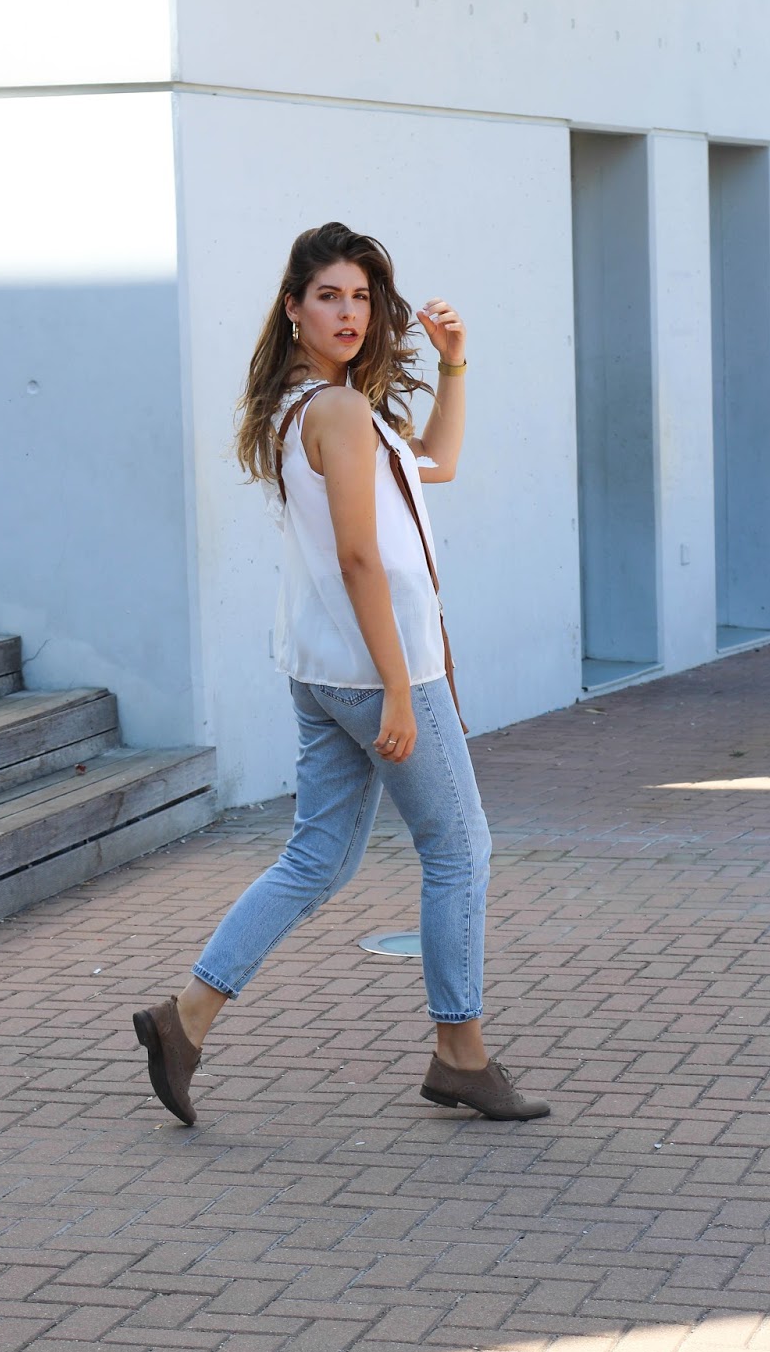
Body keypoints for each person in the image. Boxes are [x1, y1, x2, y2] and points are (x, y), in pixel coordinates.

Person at [134, 221, 549, 1126]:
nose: (349, 312)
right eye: (329, 296)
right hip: (377, 670)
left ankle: (185, 1019)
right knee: (459, 850)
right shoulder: (335, 410)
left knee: (317, 858)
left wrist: (455, 364)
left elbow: (437, 463)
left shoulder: (317, 405)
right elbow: (361, 557)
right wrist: (400, 686)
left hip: (323, 668)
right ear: (293, 308)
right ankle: (461, 1053)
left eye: (361, 297)